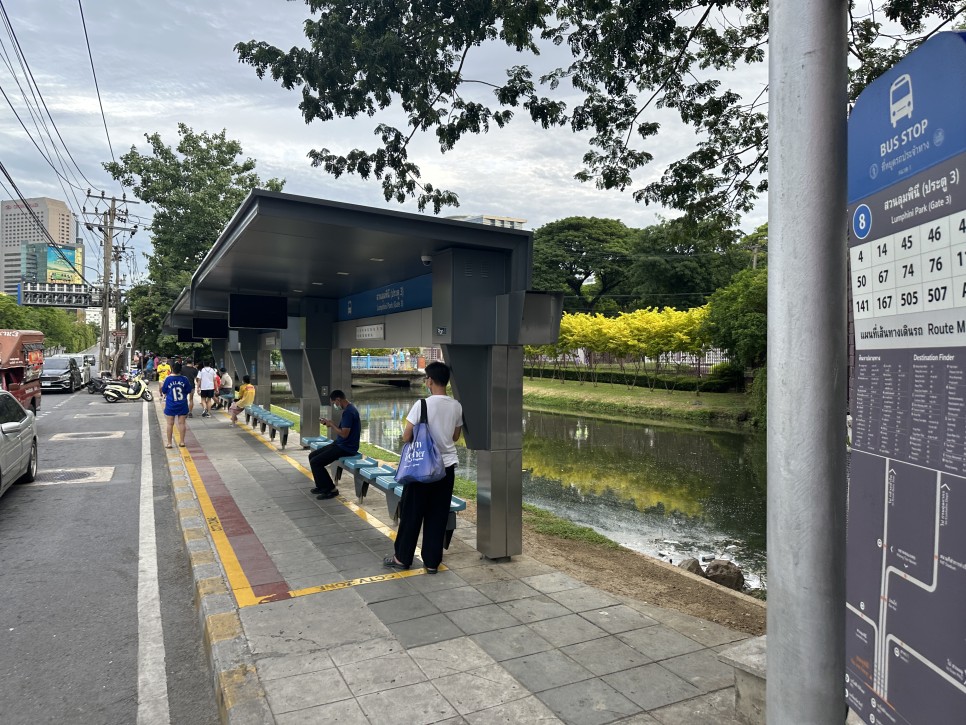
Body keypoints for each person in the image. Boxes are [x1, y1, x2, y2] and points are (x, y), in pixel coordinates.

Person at [384, 362, 463, 574]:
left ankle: (402, 558)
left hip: (421, 469)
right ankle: (431, 562)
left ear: (429, 380)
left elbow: (407, 436)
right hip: (446, 469)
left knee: (412, 514)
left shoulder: (422, 405)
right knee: (437, 515)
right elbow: (455, 437)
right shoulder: (456, 406)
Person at [309, 390, 361, 500]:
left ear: (338, 399)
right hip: (340, 444)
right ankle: (321, 486)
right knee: (312, 456)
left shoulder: (349, 412)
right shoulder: (349, 410)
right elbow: (344, 431)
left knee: (316, 462)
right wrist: (330, 423)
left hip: (346, 448)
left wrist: (332, 424)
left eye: (334, 403)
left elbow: (344, 434)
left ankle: (331, 490)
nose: (335, 405)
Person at [160, 362, 191, 448]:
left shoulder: (168, 379)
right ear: (180, 370)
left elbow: (164, 390)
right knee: (182, 423)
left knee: (170, 424)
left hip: (171, 404)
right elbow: (188, 390)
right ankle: (182, 442)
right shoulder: (184, 379)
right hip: (182, 403)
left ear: (172, 369)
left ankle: (169, 443)